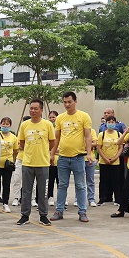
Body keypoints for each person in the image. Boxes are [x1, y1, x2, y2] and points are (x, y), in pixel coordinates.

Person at [50, 92, 94, 222]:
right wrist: (52, 154)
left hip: (78, 157)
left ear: (75, 101)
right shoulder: (60, 118)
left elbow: (88, 136)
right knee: (62, 185)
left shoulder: (84, 116)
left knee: (80, 185)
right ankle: (59, 210)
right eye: (65, 102)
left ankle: (82, 212)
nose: (67, 104)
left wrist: (89, 153)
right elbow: (56, 137)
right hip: (63, 157)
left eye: (69, 102)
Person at [17, 100, 55, 226]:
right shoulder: (25, 125)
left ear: (41, 110)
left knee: (42, 191)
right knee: (26, 191)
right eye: (31, 108)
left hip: (43, 163)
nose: (33, 111)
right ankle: (25, 215)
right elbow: (21, 143)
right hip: (27, 162)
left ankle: (43, 215)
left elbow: (52, 143)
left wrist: (43, 152)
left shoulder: (48, 124)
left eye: (35, 109)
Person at [0, 117, 18, 214]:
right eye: (3, 124)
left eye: (7, 124)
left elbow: (15, 151)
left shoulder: (13, 137)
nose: (5, 126)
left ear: (10, 125)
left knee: (6, 184)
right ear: (0, 125)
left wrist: (13, 161)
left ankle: (5, 203)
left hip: (7, 165)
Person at [97, 115, 123, 206]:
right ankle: (102, 198)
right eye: (109, 122)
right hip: (104, 161)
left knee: (116, 181)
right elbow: (99, 148)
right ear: (106, 123)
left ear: (115, 124)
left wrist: (115, 157)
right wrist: (105, 158)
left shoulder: (119, 134)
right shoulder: (102, 134)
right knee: (103, 180)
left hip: (115, 162)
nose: (111, 124)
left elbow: (120, 147)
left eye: (113, 122)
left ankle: (118, 199)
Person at [9, 115, 30, 206]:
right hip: (20, 159)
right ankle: (16, 198)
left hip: (30, 159)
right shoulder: (20, 133)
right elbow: (18, 146)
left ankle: (31, 198)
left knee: (30, 182)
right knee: (17, 179)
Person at [46, 110, 59, 206]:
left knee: (60, 180)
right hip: (49, 157)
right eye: (50, 117)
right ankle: (50, 197)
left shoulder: (59, 128)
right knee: (50, 179)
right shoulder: (47, 127)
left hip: (60, 158)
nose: (52, 119)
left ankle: (61, 198)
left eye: (53, 117)